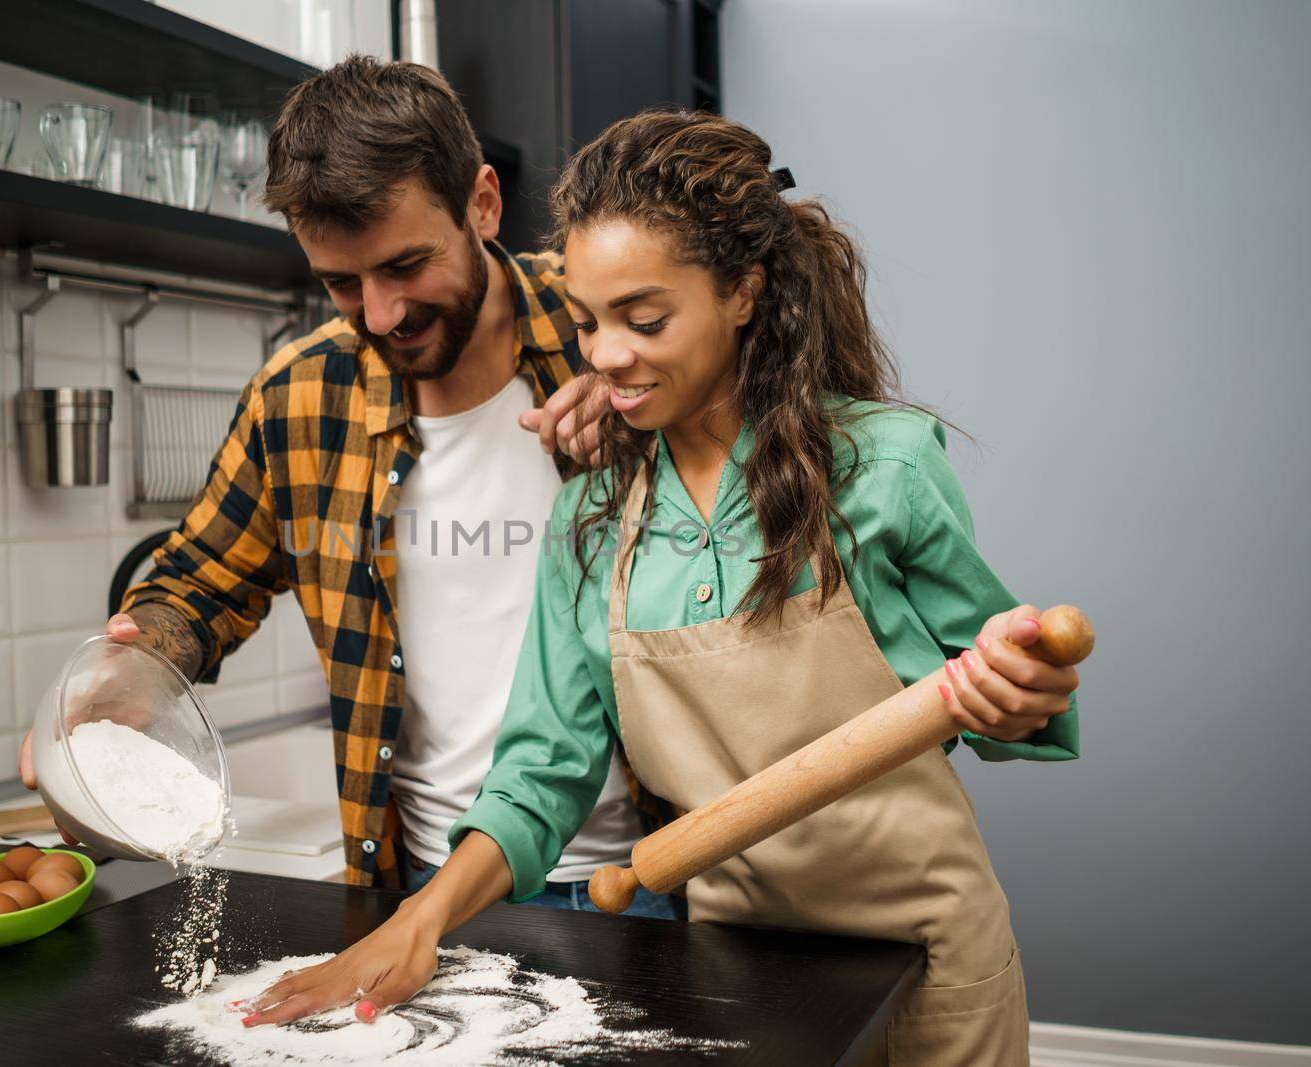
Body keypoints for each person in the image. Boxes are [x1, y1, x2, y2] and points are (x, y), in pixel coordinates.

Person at [241, 109, 1082, 1066]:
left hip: (927, 964)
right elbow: (539, 770)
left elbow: (1001, 702)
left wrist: (1017, 695)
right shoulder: (592, 522)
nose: (604, 354)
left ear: (743, 293)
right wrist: (422, 918)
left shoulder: (882, 469)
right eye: (591, 321)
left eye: (645, 320)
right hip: (734, 967)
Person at [17, 56, 680, 916]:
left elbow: (782, 406)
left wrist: (648, 389)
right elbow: (196, 586)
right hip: (427, 889)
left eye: (406, 265)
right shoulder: (299, 396)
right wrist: (121, 686)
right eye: (340, 282)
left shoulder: (608, 323)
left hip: (646, 871)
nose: (379, 313)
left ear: (482, 203)